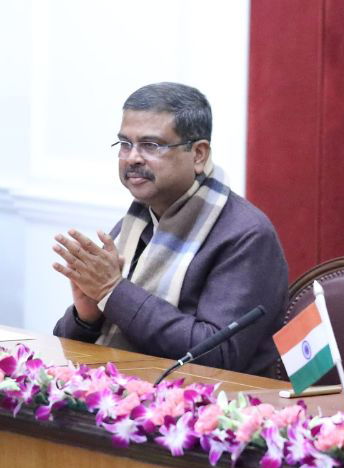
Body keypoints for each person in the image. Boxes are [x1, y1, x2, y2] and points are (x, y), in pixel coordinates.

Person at [52, 83, 288, 376]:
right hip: (129, 389)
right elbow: (69, 343)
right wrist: (87, 316)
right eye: (125, 144)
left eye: (151, 145)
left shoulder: (245, 235)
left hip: (212, 407)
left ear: (199, 154)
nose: (133, 158)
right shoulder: (135, 224)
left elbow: (216, 357)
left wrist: (113, 292)